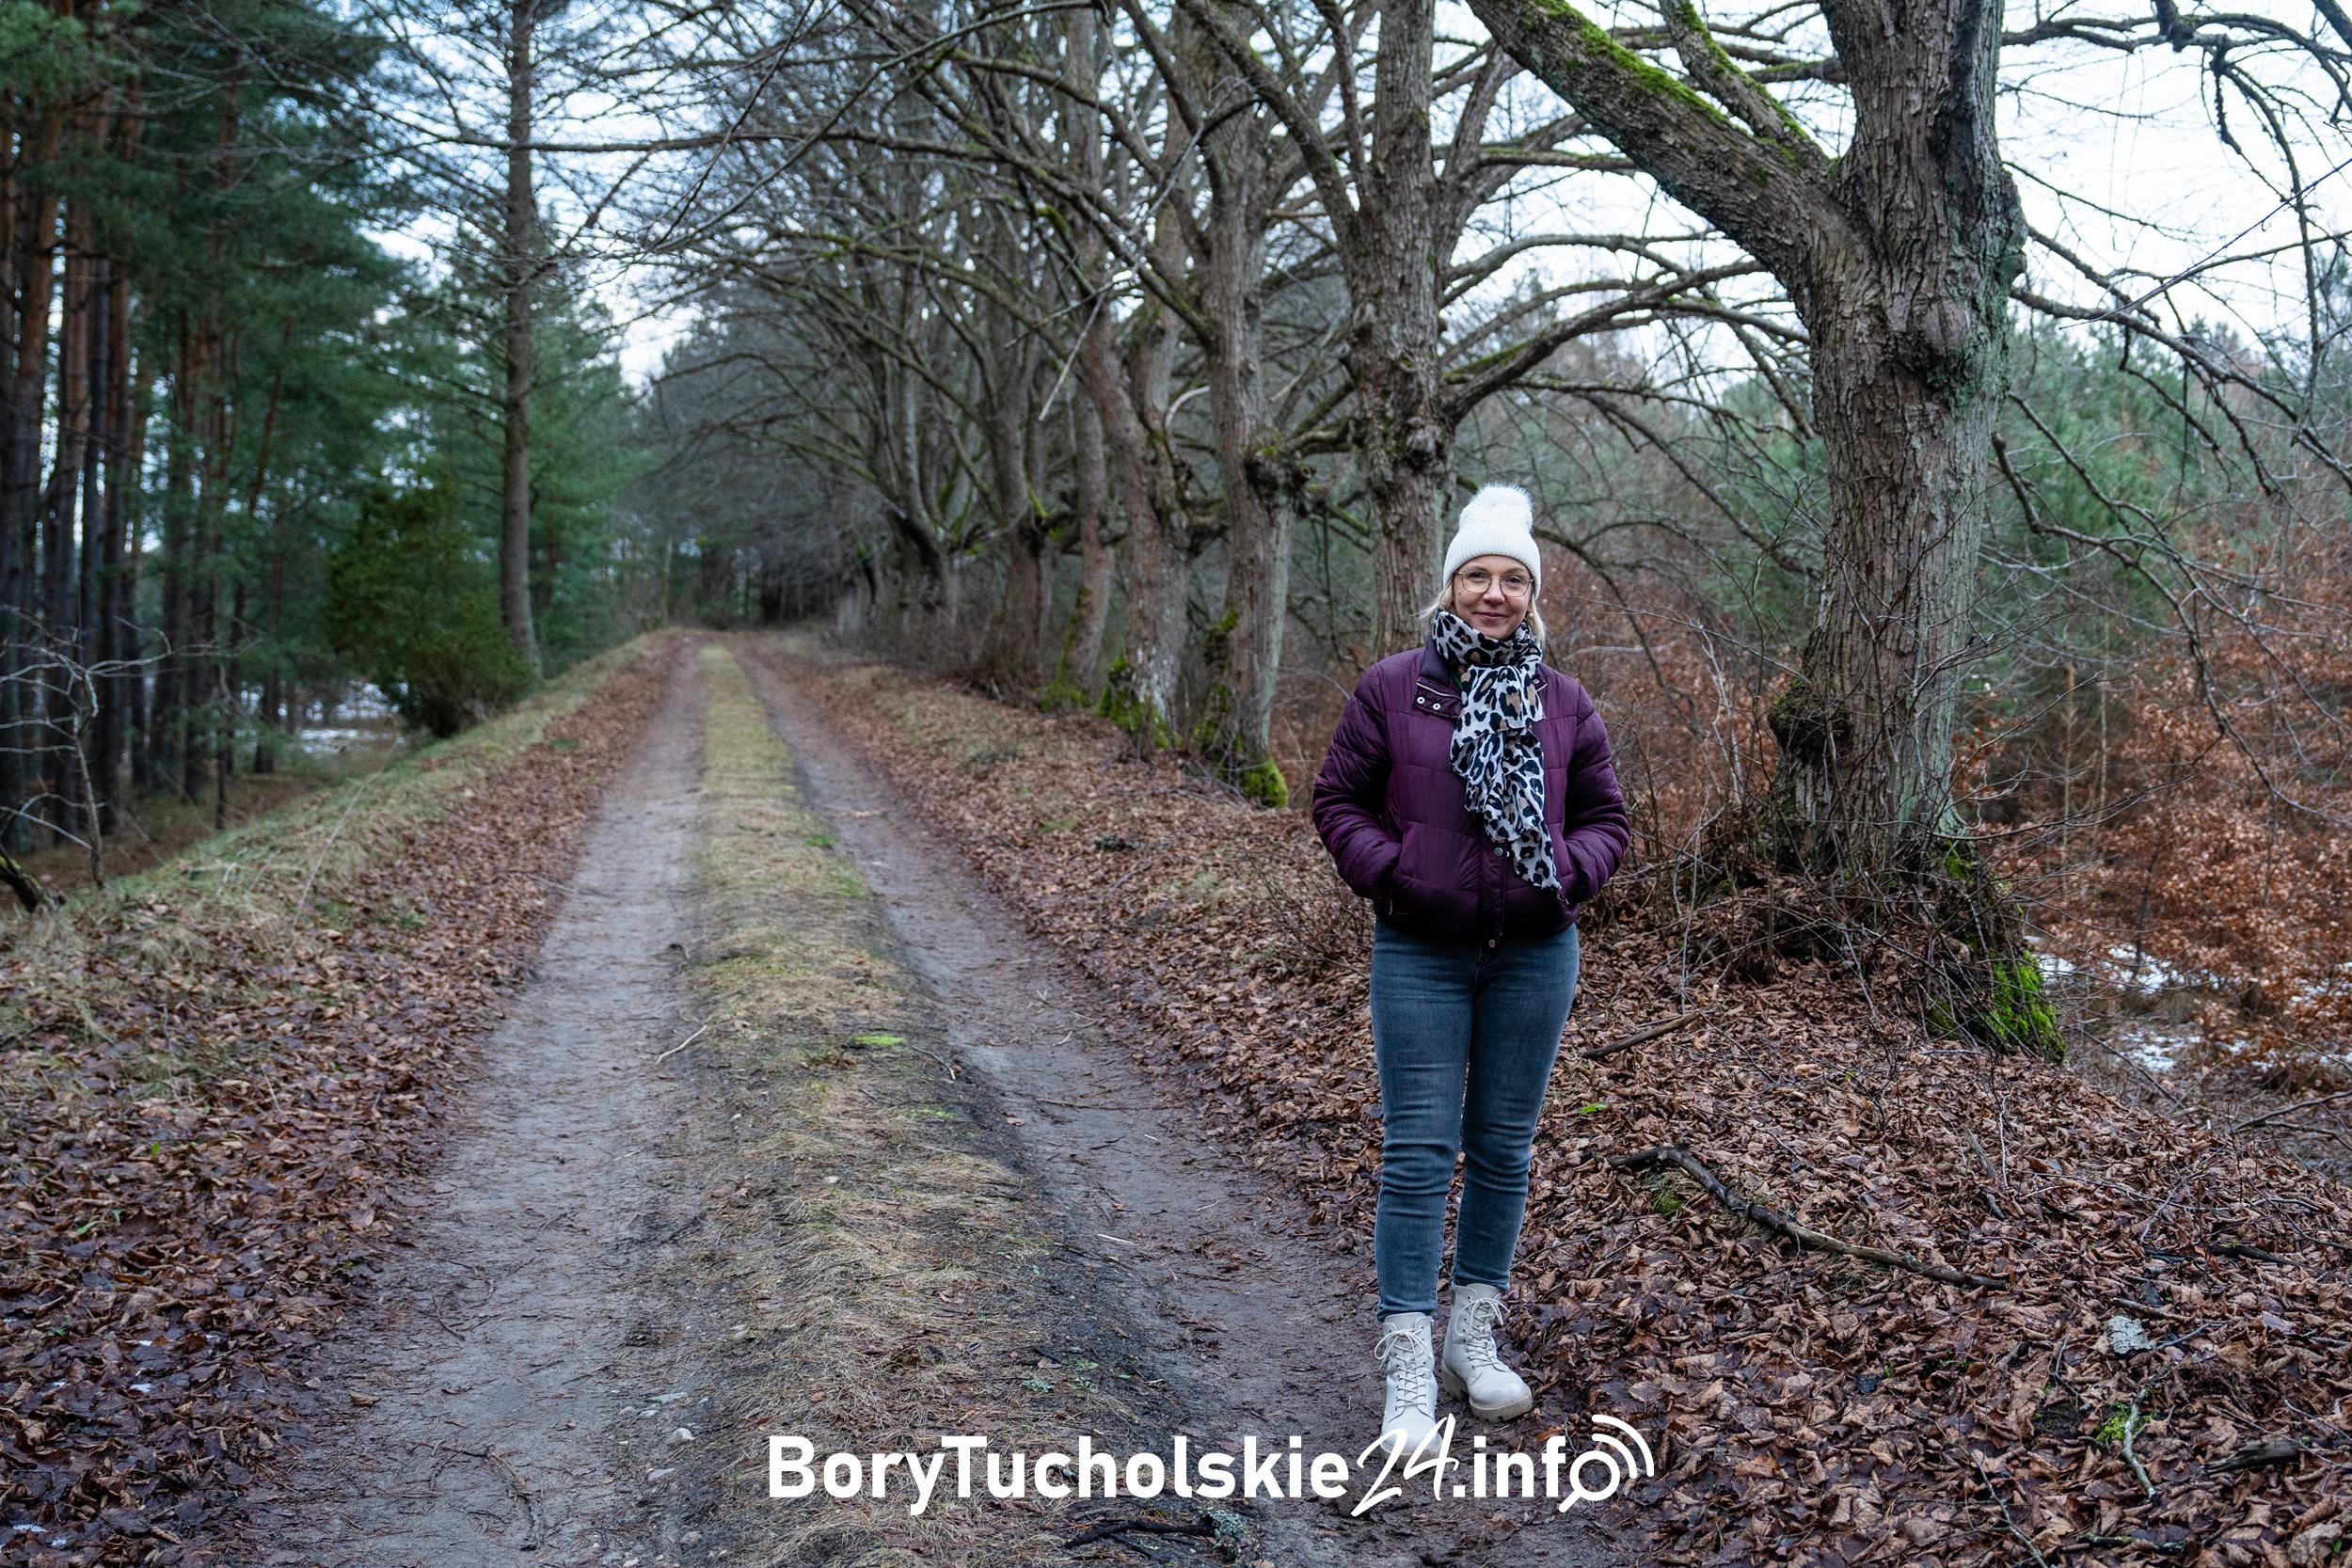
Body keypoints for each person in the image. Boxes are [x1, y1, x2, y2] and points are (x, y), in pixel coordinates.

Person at [1311, 483, 1630, 1453]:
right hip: (1419, 947)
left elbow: (1608, 819)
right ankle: (1406, 1350)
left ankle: (1470, 1334)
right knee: (1416, 1151)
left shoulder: (1564, 700)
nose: (1493, 592)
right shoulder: (1392, 685)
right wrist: (1395, 872)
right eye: (1476, 575)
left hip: (1536, 952)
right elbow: (1337, 800)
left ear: (1533, 594)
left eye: (1511, 578)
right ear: (1449, 586)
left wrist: (1564, 874)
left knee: (1503, 1147)